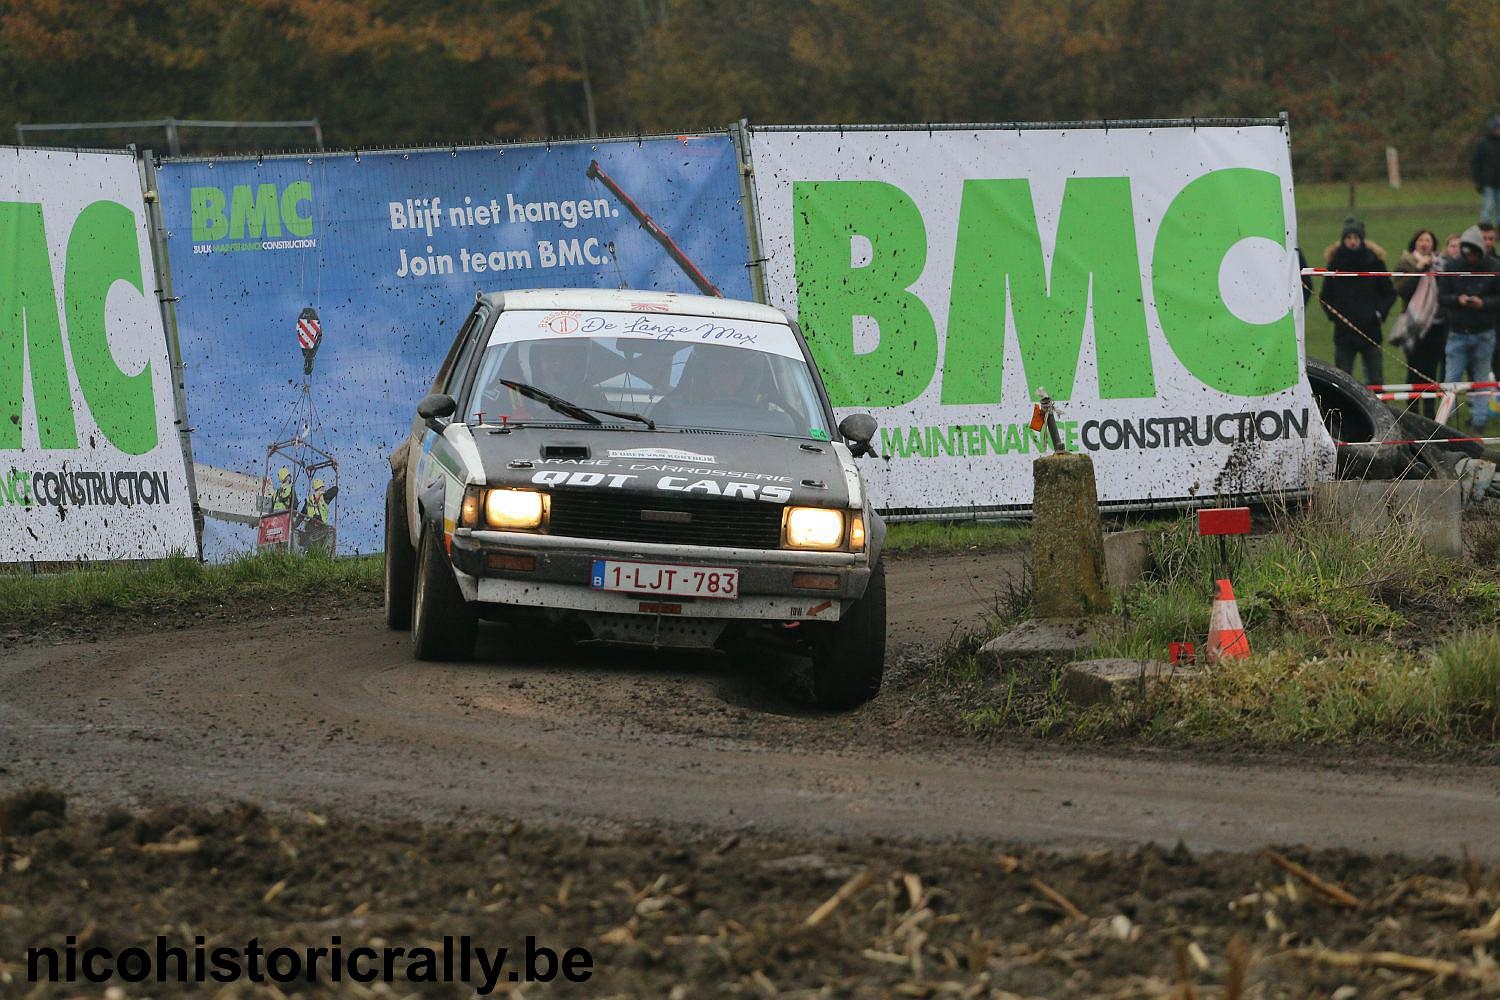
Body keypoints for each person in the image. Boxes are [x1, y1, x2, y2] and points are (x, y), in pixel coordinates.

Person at [1436, 225, 1498, 436]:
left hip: (1484, 334)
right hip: (1458, 333)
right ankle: (1444, 422)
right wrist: (1458, 300)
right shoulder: (1452, 267)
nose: (1469, 257)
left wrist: (1483, 303)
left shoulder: (1494, 267)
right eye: (1466, 252)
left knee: (1482, 378)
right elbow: (1442, 296)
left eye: (1473, 253)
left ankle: (1478, 423)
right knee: (1451, 378)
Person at [1320, 217, 1397, 385]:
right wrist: (1335, 316)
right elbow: (1325, 296)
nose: (1352, 242)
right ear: (1343, 240)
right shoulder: (1334, 264)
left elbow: (1389, 293)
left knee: (1376, 380)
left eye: (1356, 238)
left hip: (1371, 331)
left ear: (1362, 239)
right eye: (1349, 238)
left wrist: (1379, 313)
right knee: (1342, 380)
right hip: (1344, 334)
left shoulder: (1375, 262)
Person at [1392, 229, 1447, 418]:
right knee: (1414, 369)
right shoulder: (1405, 262)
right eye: (1421, 240)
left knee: (1431, 371)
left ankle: (1430, 414)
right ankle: (1412, 413)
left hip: (1436, 325)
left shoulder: (1440, 264)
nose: (1425, 243)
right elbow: (1400, 288)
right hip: (1414, 325)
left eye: (1428, 240)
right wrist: (1419, 270)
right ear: (1415, 243)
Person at [1473, 114, 1500, 226]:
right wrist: (1478, 180)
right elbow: (1476, 162)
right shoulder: (1483, 144)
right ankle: (1485, 229)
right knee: (1487, 207)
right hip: (1488, 181)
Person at [297, 477, 339, 550]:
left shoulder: (308, 501)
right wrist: (323, 494)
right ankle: (326, 555)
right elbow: (335, 489)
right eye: (323, 487)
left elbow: (301, 517)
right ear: (321, 487)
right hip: (320, 528)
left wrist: (293, 526)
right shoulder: (324, 497)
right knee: (331, 532)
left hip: (309, 529)